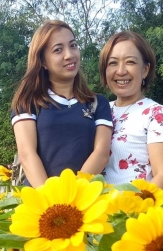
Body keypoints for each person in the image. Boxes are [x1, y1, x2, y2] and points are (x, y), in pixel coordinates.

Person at [11, 20, 113, 188]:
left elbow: (101, 154)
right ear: (42, 61)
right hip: (41, 201)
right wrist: (50, 200)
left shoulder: (97, 103)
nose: (69, 54)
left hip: (84, 199)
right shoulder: (28, 102)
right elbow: (27, 155)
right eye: (58, 50)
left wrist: (74, 195)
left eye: (73, 45)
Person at [99, 31, 163, 188]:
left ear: (145, 70)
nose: (121, 71)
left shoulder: (156, 114)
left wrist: (134, 206)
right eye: (113, 63)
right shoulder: (99, 110)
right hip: (96, 208)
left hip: (134, 209)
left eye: (130, 62)